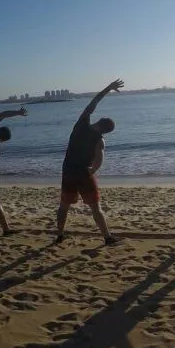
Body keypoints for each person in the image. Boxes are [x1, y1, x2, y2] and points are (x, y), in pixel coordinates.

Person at [55, 79, 124, 245]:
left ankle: (59, 234)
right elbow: (99, 159)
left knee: (64, 205)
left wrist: (108, 87)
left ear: (99, 121)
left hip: (68, 171)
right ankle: (107, 237)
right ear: (106, 131)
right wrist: (92, 171)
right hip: (84, 172)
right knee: (95, 207)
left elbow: (94, 101)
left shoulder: (81, 124)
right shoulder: (99, 140)